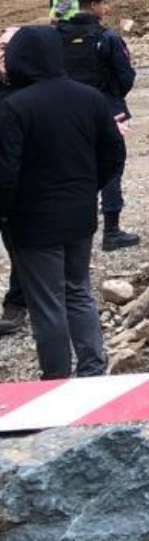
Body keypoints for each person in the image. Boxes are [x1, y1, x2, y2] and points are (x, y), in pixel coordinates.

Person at [0, 26, 125, 378]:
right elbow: (114, 152)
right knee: (78, 291)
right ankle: (92, 368)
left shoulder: (14, 108)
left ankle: (55, 382)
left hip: (32, 222)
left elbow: (5, 172)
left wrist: (4, 214)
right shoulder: (89, 98)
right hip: (80, 214)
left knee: (47, 305)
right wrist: (89, 187)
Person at [57, 0, 139, 251]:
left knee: (76, 169)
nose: (107, 7)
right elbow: (126, 76)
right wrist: (113, 97)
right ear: (94, 5)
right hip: (106, 109)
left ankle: (74, 231)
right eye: (104, 3)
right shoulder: (108, 38)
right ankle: (111, 230)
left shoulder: (58, 34)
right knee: (111, 167)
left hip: (69, 111)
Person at [0, 27, 25, 339]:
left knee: (20, 250)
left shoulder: (30, 92)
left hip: (17, 188)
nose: (3, 54)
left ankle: (18, 302)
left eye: (8, 48)